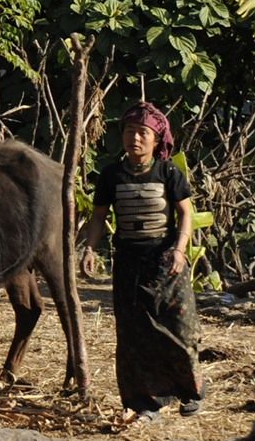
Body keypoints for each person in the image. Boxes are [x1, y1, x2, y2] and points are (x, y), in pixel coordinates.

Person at [79, 101, 203, 418]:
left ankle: (190, 393)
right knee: (134, 333)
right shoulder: (111, 175)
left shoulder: (169, 173)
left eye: (143, 133)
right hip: (128, 262)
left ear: (157, 140)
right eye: (130, 132)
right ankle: (144, 402)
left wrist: (179, 250)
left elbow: (186, 213)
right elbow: (98, 217)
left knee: (178, 328)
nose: (135, 139)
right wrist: (90, 248)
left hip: (165, 261)